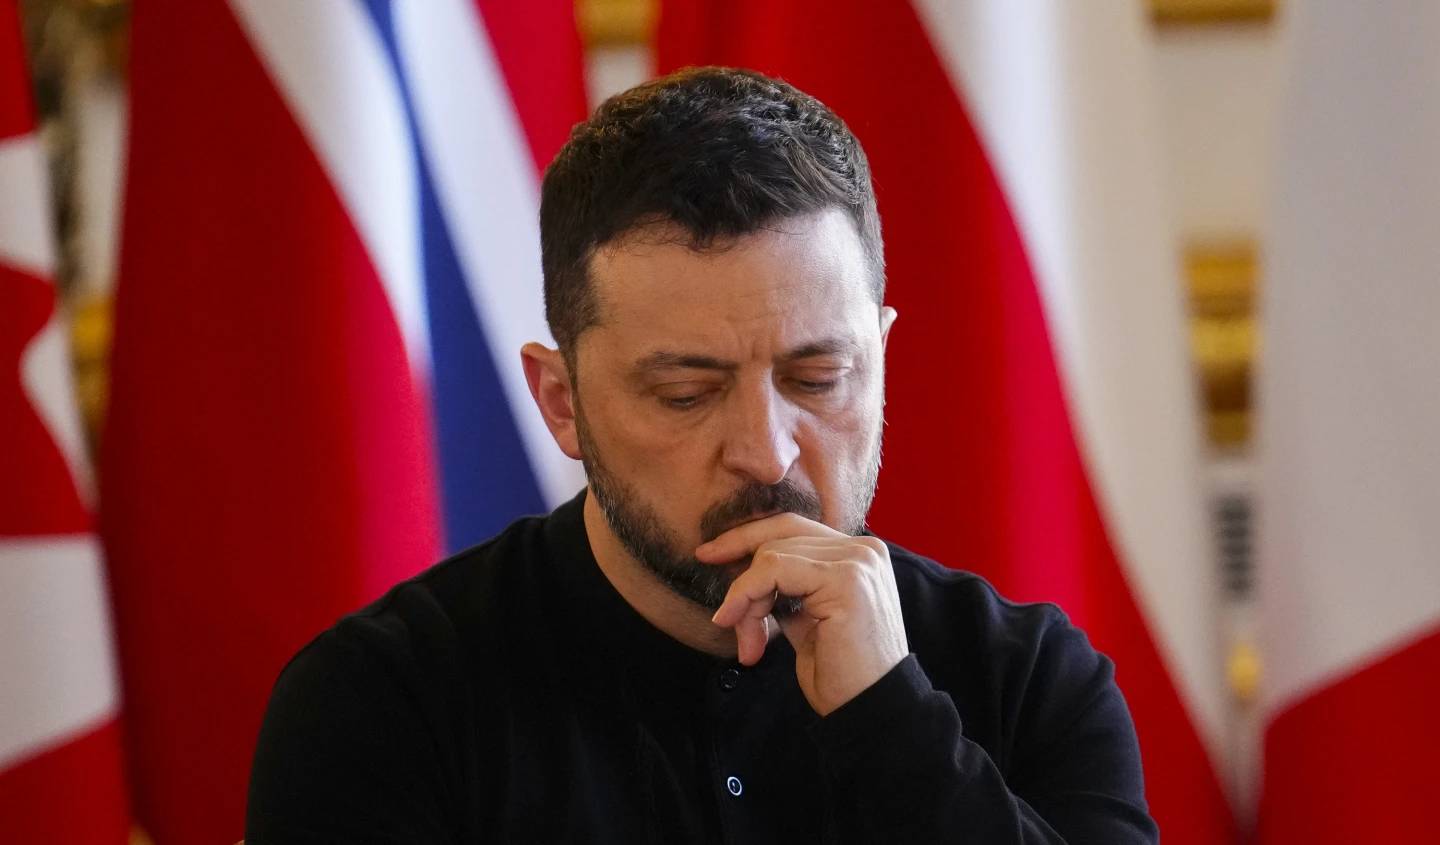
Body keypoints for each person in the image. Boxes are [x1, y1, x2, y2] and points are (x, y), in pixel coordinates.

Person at [245, 67, 1158, 844]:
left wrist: (892, 718)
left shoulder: (1032, 682)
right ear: (562, 403)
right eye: (687, 393)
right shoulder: (382, 703)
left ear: (881, 360)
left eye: (818, 377)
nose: (765, 455)